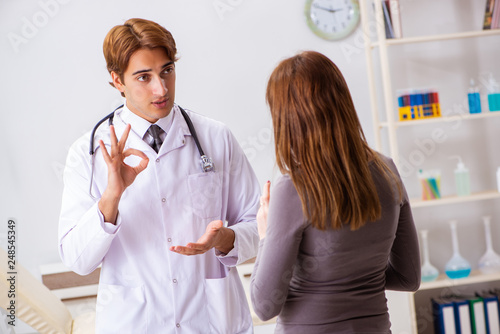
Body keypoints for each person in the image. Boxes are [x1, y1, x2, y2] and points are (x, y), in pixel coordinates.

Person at [58, 18, 260, 334]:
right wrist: (112, 196)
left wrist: (224, 239)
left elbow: (256, 224)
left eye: (167, 71)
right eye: (144, 77)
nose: (161, 88)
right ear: (117, 80)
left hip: (210, 321)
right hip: (135, 323)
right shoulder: (90, 155)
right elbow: (77, 260)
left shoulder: (216, 138)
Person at [250, 51, 421, 333]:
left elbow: (264, 306)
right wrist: (359, 275)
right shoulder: (387, 171)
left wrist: (266, 235)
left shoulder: (293, 189)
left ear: (287, 118)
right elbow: (408, 277)